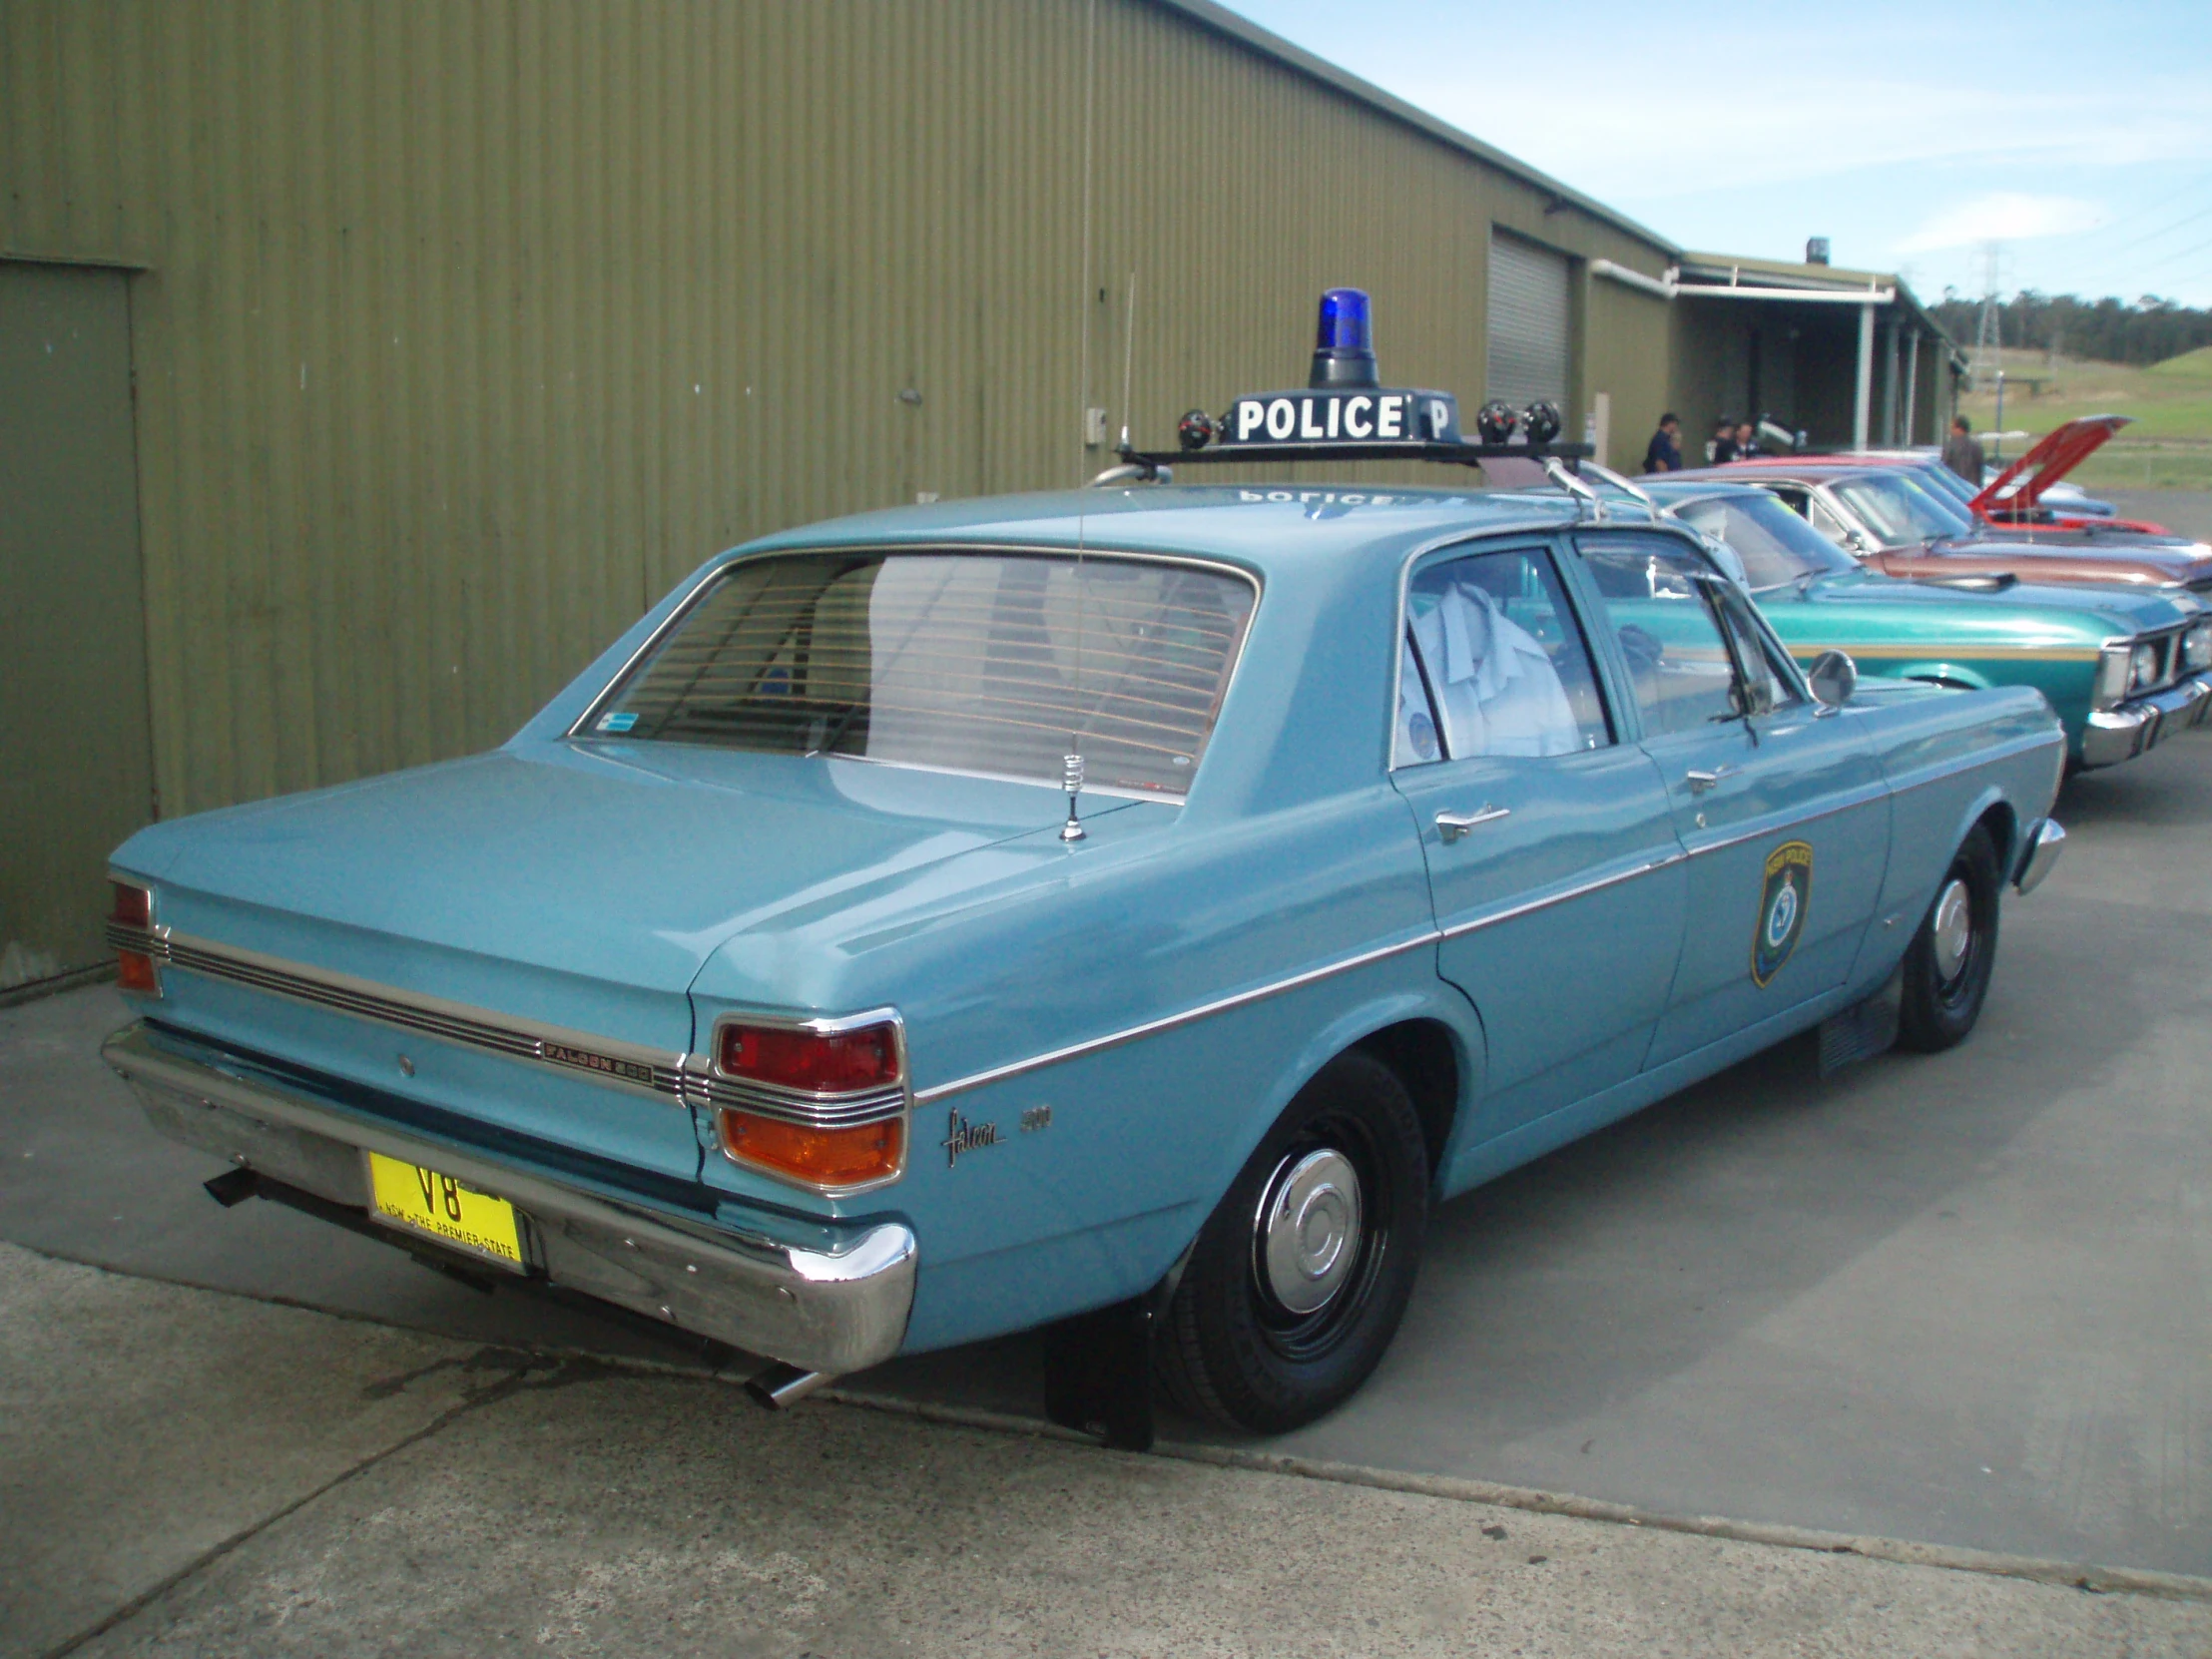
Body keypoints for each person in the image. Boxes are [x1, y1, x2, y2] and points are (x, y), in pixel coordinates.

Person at [1943, 415, 1984, 484]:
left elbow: (1944, 467)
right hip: (1972, 488)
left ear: (1959, 429)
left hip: (1954, 487)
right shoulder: (1977, 446)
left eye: (1953, 428)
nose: (1951, 431)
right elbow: (1980, 470)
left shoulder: (1950, 445)